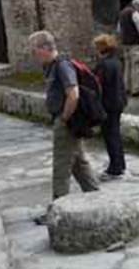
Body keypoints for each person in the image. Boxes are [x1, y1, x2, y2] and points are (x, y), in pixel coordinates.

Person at [29, 30, 100, 209]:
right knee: (79, 164)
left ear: (45, 48)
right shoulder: (52, 66)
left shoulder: (62, 66)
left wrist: (64, 118)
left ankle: (58, 209)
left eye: (34, 50)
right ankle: (96, 197)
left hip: (66, 122)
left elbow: (73, 93)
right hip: (66, 120)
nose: (33, 55)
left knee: (61, 166)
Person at [93, 34, 128, 180]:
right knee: (115, 133)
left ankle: (115, 168)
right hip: (119, 101)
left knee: (110, 135)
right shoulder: (116, 62)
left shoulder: (103, 65)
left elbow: (98, 84)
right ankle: (120, 163)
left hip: (108, 103)